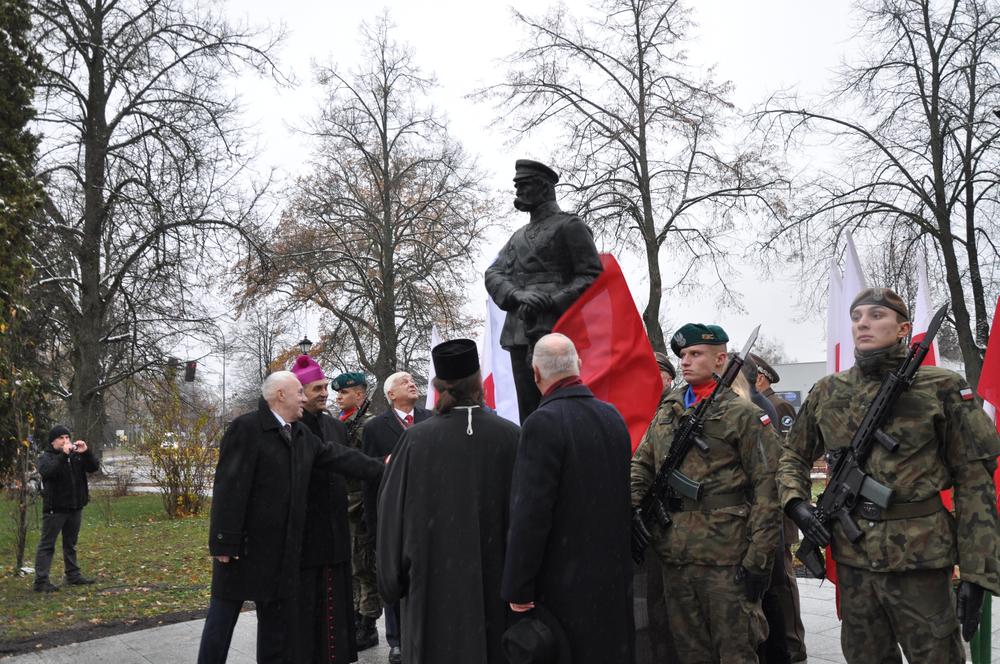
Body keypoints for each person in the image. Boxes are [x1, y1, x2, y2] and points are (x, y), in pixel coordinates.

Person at [777, 288, 1000, 664]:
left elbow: (974, 479)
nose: (863, 322)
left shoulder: (941, 387)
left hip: (921, 562)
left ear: (903, 329)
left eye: (877, 315)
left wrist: (978, 571)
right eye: (857, 316)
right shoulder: (828, 391)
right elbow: (792, 455)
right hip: (854, 559)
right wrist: (796, 504)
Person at [197, 371, 383, 664]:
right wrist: (223, 542)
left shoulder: (300, 433)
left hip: (278, 552)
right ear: (280, 395)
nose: (304, 398)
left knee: (275, 626)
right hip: (240, 549)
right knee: (223, 619)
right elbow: (228, 486)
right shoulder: (246, 428)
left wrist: (382, 467)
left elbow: (336, 456)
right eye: (299, 392)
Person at [631, 323, 781, 663]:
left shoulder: (743, 415)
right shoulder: (668, 408)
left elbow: (768, 488)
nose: (685, 361)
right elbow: (642, 464)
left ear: (720, 360)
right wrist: (631, 509)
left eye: (696, 354)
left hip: (725, 556)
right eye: (683, 355)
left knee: (735, 651)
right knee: (689, 651)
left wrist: (758, 559)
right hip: (675, 553)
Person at [377, 339, 521, 664]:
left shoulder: (415, 441)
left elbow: (391, 520)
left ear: (439, 387)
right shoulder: (510, 436)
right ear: (478, 382)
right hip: (498, 592)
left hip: (432, 593)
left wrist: (392, 583)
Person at [502, 333, 634, 664]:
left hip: (565, 584)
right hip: (613, 577)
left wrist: (518, 587)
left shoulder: (542, 424)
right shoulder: (612, 416)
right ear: (580, 365)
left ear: (535, 374)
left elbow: (531, 514)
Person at [485, 159, 603, 422]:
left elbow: (591, 274)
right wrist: (517, 295)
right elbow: (493, 273)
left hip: (558, 327)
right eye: (517, 186)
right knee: (530, 412)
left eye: (524, 185)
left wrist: (553, 301)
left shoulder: (569, 226)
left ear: (545, 188)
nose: (518, 192)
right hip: (520, 330)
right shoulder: (517, 237)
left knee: (563, 406)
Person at [292, 356, 385, 663]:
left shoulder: (336, 425)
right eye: (317, 388)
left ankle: (362, 627)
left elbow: (349, 464)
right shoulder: (293, 426)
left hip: (341, 520)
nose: (326, 394)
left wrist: (381, 469)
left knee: (350, 584)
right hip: (305, 530)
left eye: (326, 388)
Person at [362, 370, 431, 664]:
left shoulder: (431, 419)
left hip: (429, 515)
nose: (412, 383)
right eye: (404, 382)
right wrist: (373, 523)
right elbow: (368, 478)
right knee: (393, 576)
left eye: (412, 380)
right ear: (390, 394)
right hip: (393, 515)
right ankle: (397, 641)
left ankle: (426, 634)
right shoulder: (376, 428)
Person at [751, 353, 808, 663]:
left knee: (784, 580)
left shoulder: (778, 406)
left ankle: (794, 643)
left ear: (763, 377)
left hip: (780, 507)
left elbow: (785, 457)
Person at [331, 370, 380, 650]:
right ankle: (353, 618)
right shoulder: (342, 422)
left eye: (344, 393)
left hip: (359, 505)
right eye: (337, 393)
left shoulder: (366, 425)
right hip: (344, 502)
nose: (338, 397)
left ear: (359, 395)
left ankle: (368, 624)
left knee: (363, 566)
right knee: (350, 565)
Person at [33, 424, 100, 592]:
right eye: (61, 438)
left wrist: (86, 452)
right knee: (47, 545)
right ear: (53, 442)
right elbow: (48, 472)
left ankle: (73, 575)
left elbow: (93, 467)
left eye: (67, 437)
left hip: (75, 507)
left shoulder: (76, 456)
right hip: (55, 509)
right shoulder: (46, 458)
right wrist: (63, 455)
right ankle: (41, 581)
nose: (65, 441)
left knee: (70, 544)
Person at [752, 354, 797, 435]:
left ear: (760, 379)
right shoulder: (753, 404)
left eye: (747, 377)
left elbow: (788, 443)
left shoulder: (780, 406)